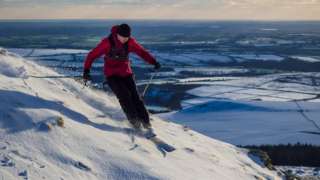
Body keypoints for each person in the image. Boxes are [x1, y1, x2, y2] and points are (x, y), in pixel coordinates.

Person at [83, 23, 161, 130]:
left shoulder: (130, 42)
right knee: (125, 97)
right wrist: (86, 70)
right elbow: (92, 55)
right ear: (117, 34)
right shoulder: (107, 43)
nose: (125, 39)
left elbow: (142, 52)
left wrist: (153, 62)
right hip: (112, 75)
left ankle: (146, 123)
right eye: (123, 37)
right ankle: (135, 122)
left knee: (135, 97)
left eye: (127, 37)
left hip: (126, 73)